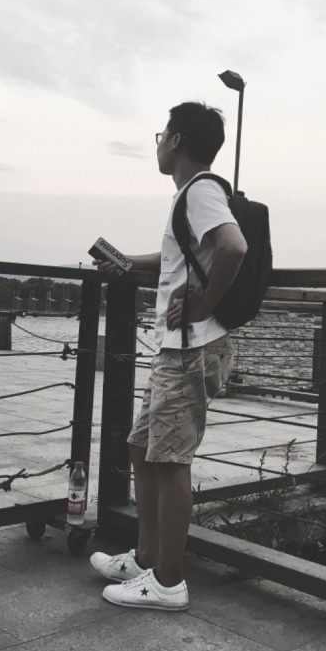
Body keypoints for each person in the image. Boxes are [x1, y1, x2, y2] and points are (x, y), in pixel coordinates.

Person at [90, 101, 247, 611]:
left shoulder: (200, 190)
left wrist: (203, 304)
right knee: (143, 447)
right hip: (176, 350)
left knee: (170, 461)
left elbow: (233, 247)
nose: (158, 143)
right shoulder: (190, 196)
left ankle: (168, 582)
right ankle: (146, 557)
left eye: (162, 135)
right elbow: (179, 256)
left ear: (176, 140)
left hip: (190, 350)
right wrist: (128, 263)